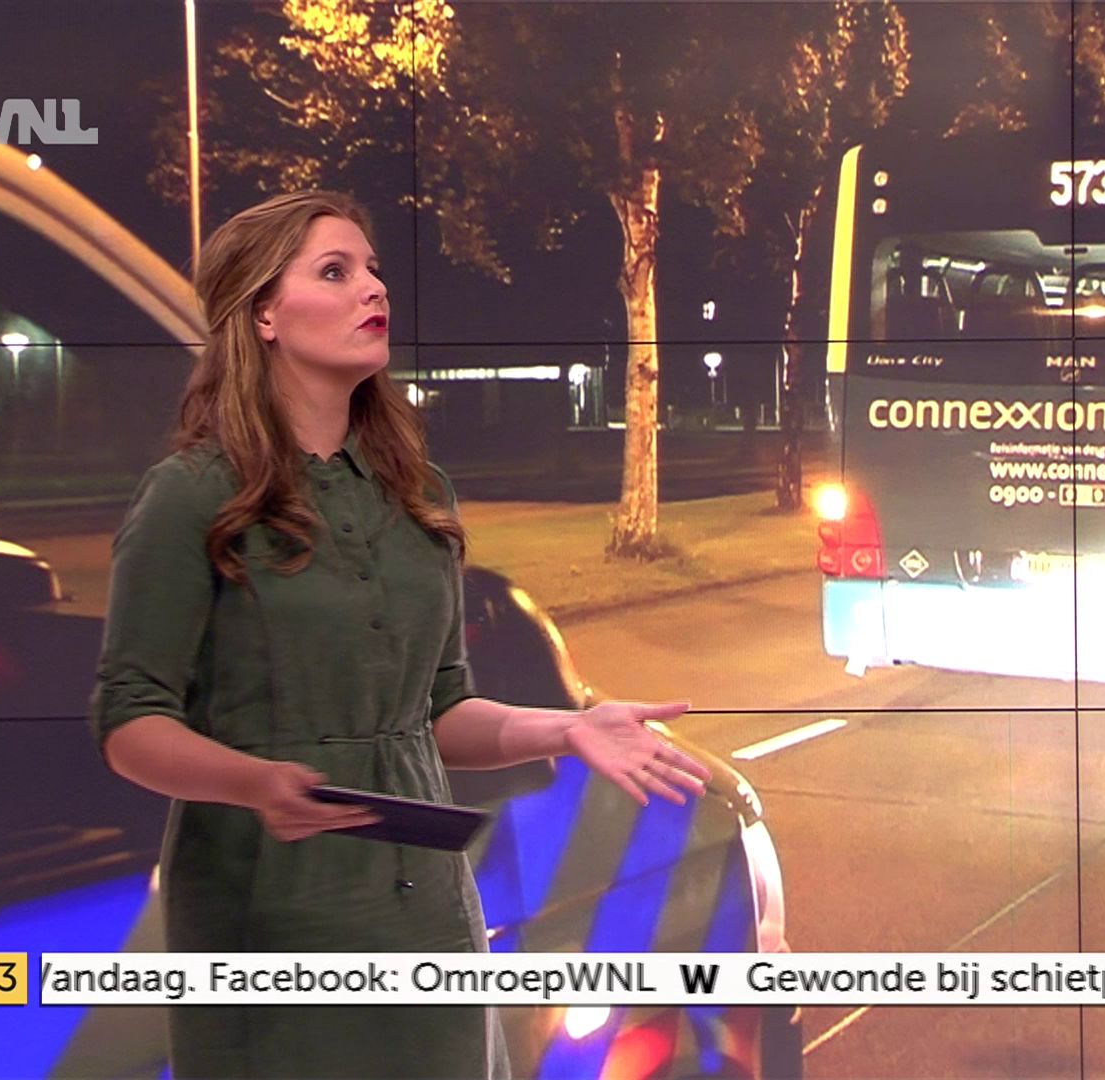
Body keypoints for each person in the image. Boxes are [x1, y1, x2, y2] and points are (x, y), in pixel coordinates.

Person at [89, 190, 710, 1079]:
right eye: (335, 272)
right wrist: (254, 781)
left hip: (429, 917)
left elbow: (441, 711)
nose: (373, 288)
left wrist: (568, 727)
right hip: (267, 919)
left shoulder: (420, 495)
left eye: (373, 270)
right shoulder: (190, 495)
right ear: (263, 314)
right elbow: (130, 722)